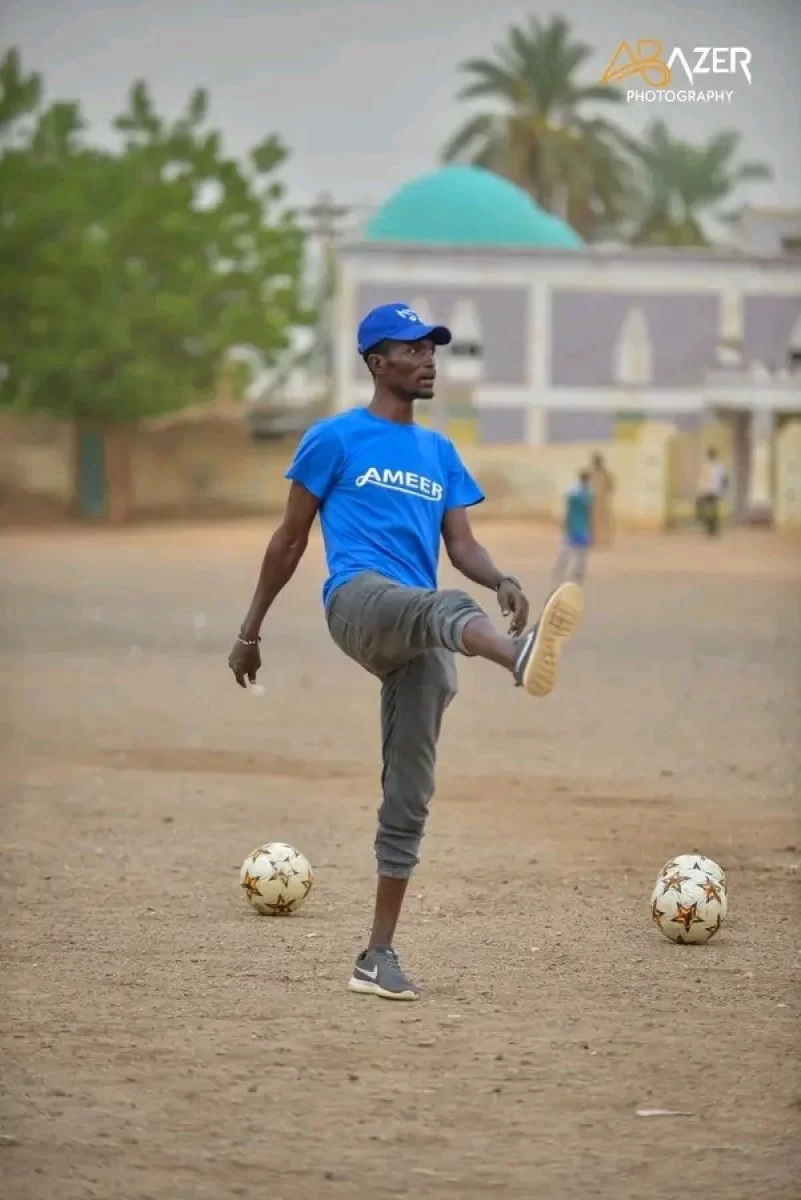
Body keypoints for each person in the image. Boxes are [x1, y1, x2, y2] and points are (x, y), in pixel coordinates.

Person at [228, 302, 583, 1002]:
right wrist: (249, 630)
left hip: (421, 631)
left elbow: (461, 545)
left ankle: (376, 956)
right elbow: (289, 540)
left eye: (432, 349)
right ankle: (517, 656)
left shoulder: (439, 453)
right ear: (375, 361)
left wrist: (501, 578)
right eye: (411, 349)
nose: (427, 360)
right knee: (443, 607)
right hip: (358, 601)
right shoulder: (334, 438)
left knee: (410, 792)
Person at [554, 470, 593, 586]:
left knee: (571, 550)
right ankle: (573, 572)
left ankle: (566, 570)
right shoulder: (585, 494)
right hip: (580, 525)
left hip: (577, 525)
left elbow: (569, 511)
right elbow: (588, 512)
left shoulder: (574, 492)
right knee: (579, 552)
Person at [696, 446, 727, 537]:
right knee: (706, 510)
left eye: (713, 453)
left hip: (715, 490)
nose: (711, 455)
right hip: (706, 490)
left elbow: (723, 478)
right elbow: (702, 478)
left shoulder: (719, 465)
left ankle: (713, 529)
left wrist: (722, 489)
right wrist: (700, 490)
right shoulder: (705, 465)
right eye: (710, 453)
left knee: (713, 510)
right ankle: (709, 527)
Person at [589, 452, 615, 547]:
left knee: (604, 521)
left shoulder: (606, 474)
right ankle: (593, 540)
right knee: (592, 521)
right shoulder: (590, 473)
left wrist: (605, 495)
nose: (597, 463)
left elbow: (611, 486)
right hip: (592, 501)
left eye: (598, 461)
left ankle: (604, 540)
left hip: (603, 501)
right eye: (596, 461)